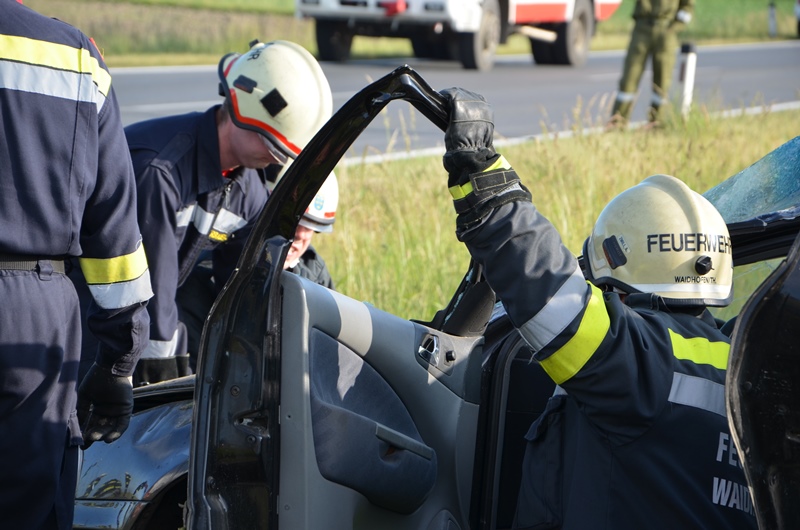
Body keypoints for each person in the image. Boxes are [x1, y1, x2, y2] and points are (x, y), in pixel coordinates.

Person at [439, 88, 757, 528]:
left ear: (614, 282)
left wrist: (480, 171)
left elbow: (550, 295)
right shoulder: (746, 370)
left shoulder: (639, 362)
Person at [70, 39, 333, 386]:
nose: (277, 161)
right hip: (86, 321)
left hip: (138, 320)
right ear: (241, 111)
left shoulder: (249, 191)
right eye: (275, 148)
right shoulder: (160, 171)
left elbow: (240, 288)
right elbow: (150, 286)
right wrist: (159, 375)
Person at [0, 1, 154, 529]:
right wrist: (119, 362)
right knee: (29, 499)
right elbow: (114, 238)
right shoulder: (76, 58)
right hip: (34, 313)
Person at [176, 173, 339, 366]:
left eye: (311, 228)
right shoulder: (205, 279)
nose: (299, 237)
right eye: (295, 221)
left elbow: (328, 354)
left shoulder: (314, 273)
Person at [609, 0, 694, 127]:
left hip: (666, 29)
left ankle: (656, 123)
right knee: (629, 80)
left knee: (662, 83)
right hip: (642, 28)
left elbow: (687, 7)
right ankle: (617, 123)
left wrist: (674, 28)